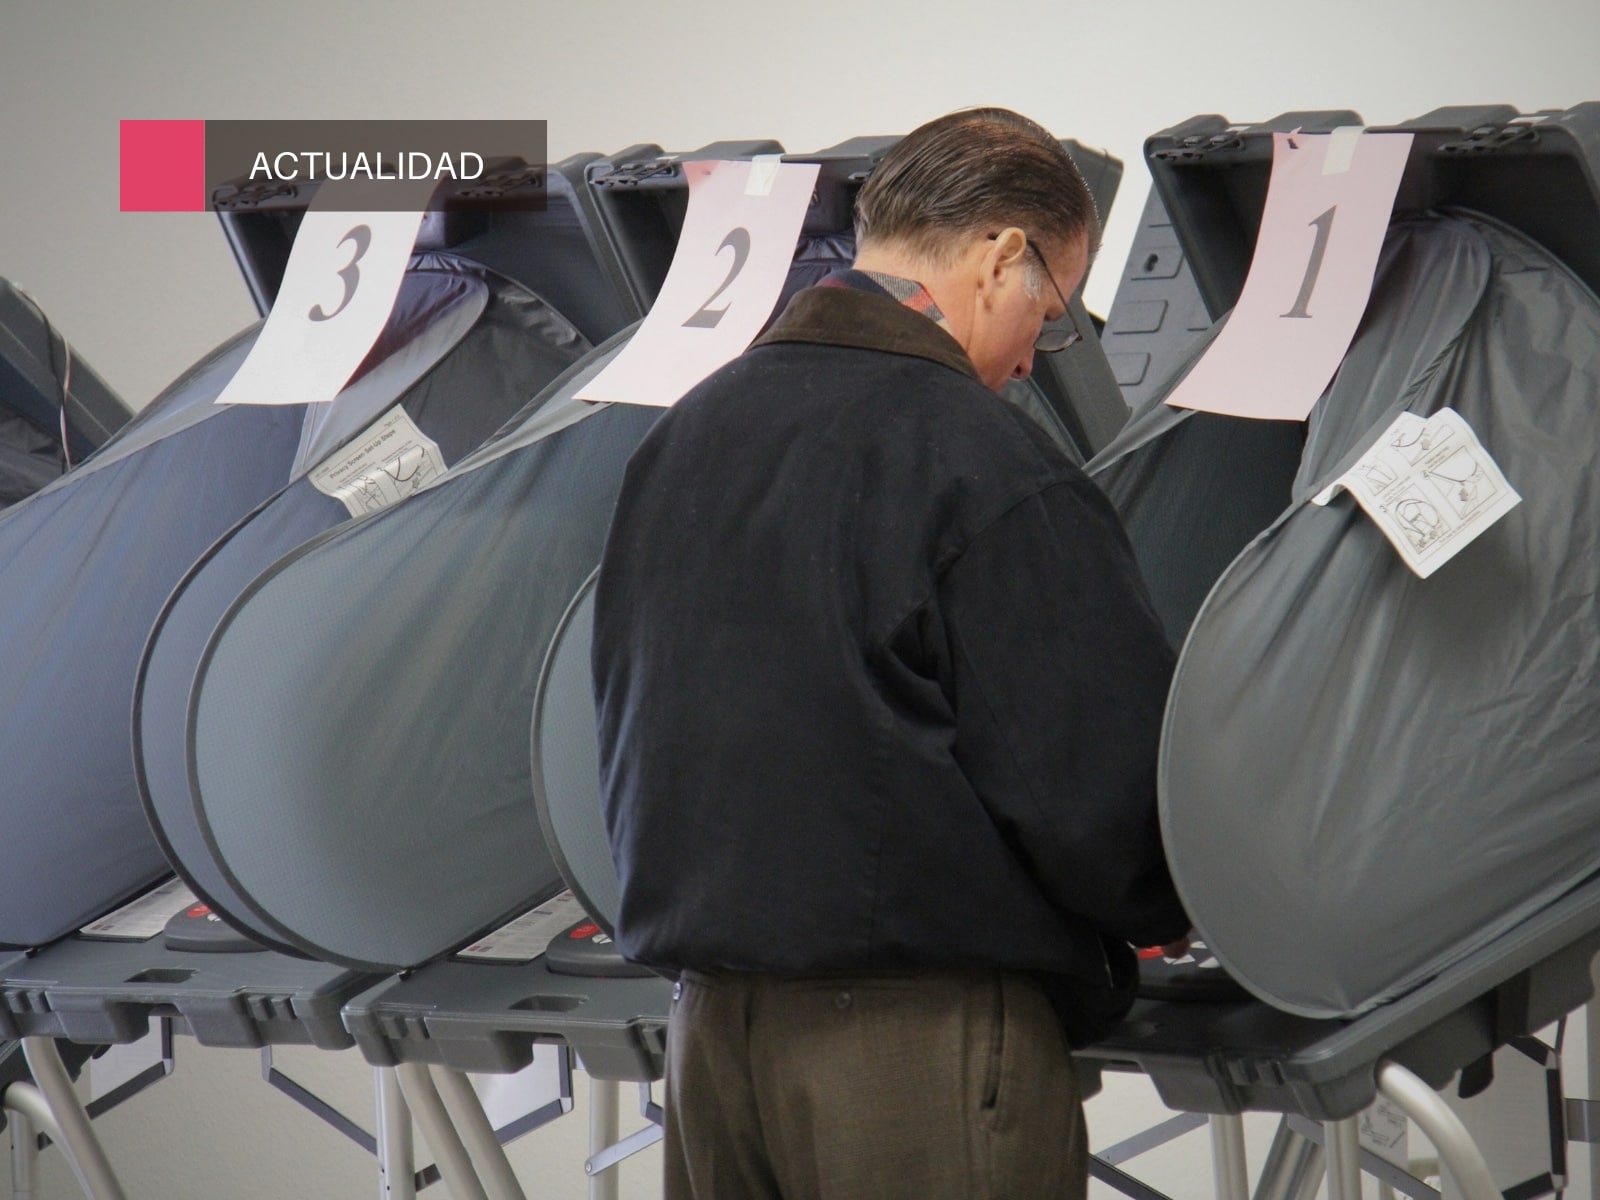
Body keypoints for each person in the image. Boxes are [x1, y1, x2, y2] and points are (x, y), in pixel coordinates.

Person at [592, 107, 1190, 1200]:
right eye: (1052, 313)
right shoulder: (982, 461)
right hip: (916, 1057)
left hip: (710, 1043)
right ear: (1001, 256)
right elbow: (1097, 794)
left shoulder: (686, 433)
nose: (1032, 357)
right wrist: (1182, 901)